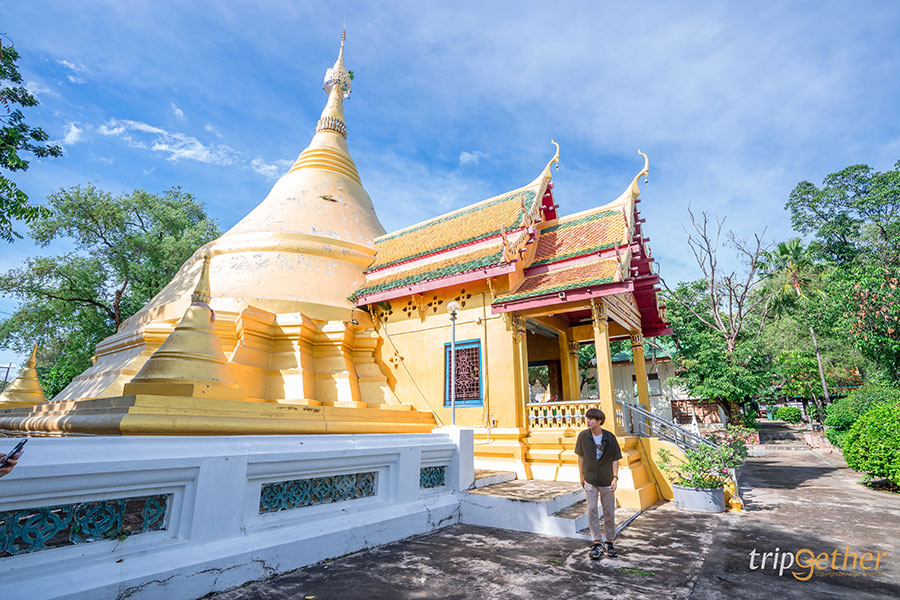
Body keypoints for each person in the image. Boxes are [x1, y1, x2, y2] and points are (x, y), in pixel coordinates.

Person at [574, 407, 622, 559]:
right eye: (587, 418)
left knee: (609, 511)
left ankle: (609, 542)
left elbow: (615, 458)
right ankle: (596, 542)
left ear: (599, 421)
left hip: (607, 480)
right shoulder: (583, 436)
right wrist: (581, 475)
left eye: (591, 419)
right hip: (590, 479)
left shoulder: (609, 437)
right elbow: (580, 457)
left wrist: (615, 477)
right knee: (592, 510)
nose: (588, 421)